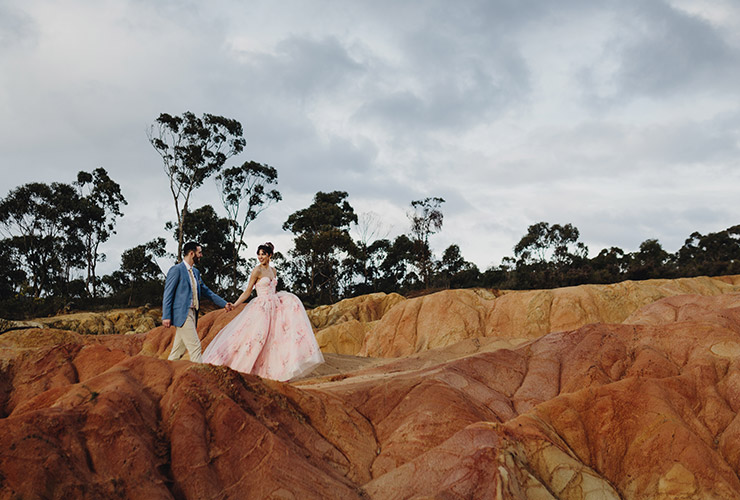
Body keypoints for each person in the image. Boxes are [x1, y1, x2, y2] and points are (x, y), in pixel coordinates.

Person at [203, 242, 324, 381]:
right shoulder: (257, 271)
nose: (260, 257)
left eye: (263, 254)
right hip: (261, 308)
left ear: (270, 255)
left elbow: (274, 290)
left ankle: (275, 373)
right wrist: (235, 305)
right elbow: (248, 291)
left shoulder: (273, 271)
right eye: (259, 254)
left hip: (275, 307)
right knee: (255, 338)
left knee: (275, 340)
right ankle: (238, 368)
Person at [162, 241, 233, 363]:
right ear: (191, 253)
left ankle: (164, 374)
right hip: (182, 315)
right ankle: (202, 378)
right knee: (195, 347)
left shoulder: (196, 273)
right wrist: (166, 316)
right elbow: (168, 294)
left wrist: (224, 303)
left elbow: (207, 292)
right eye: (199, 252)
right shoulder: (176, 270)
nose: (201, 255)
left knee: (177, 351)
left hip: (193, 313)